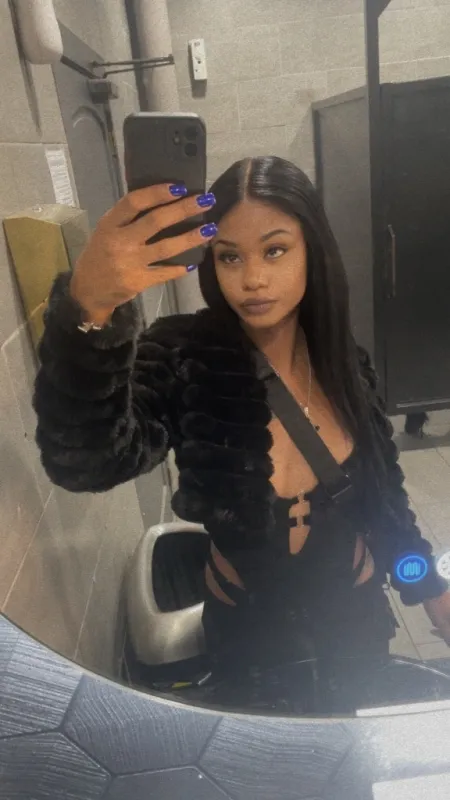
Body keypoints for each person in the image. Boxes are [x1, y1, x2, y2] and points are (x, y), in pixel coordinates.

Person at [33, 156, 450, 709]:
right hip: (247, 631)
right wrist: (89, 309)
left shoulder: (345, 361)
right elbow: (86, 461)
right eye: (230, 256)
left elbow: (382, 498)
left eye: (275, 250)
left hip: (353, 618)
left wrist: (429, 589)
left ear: (312, 250)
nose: (252, 279)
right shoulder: (185, 354)